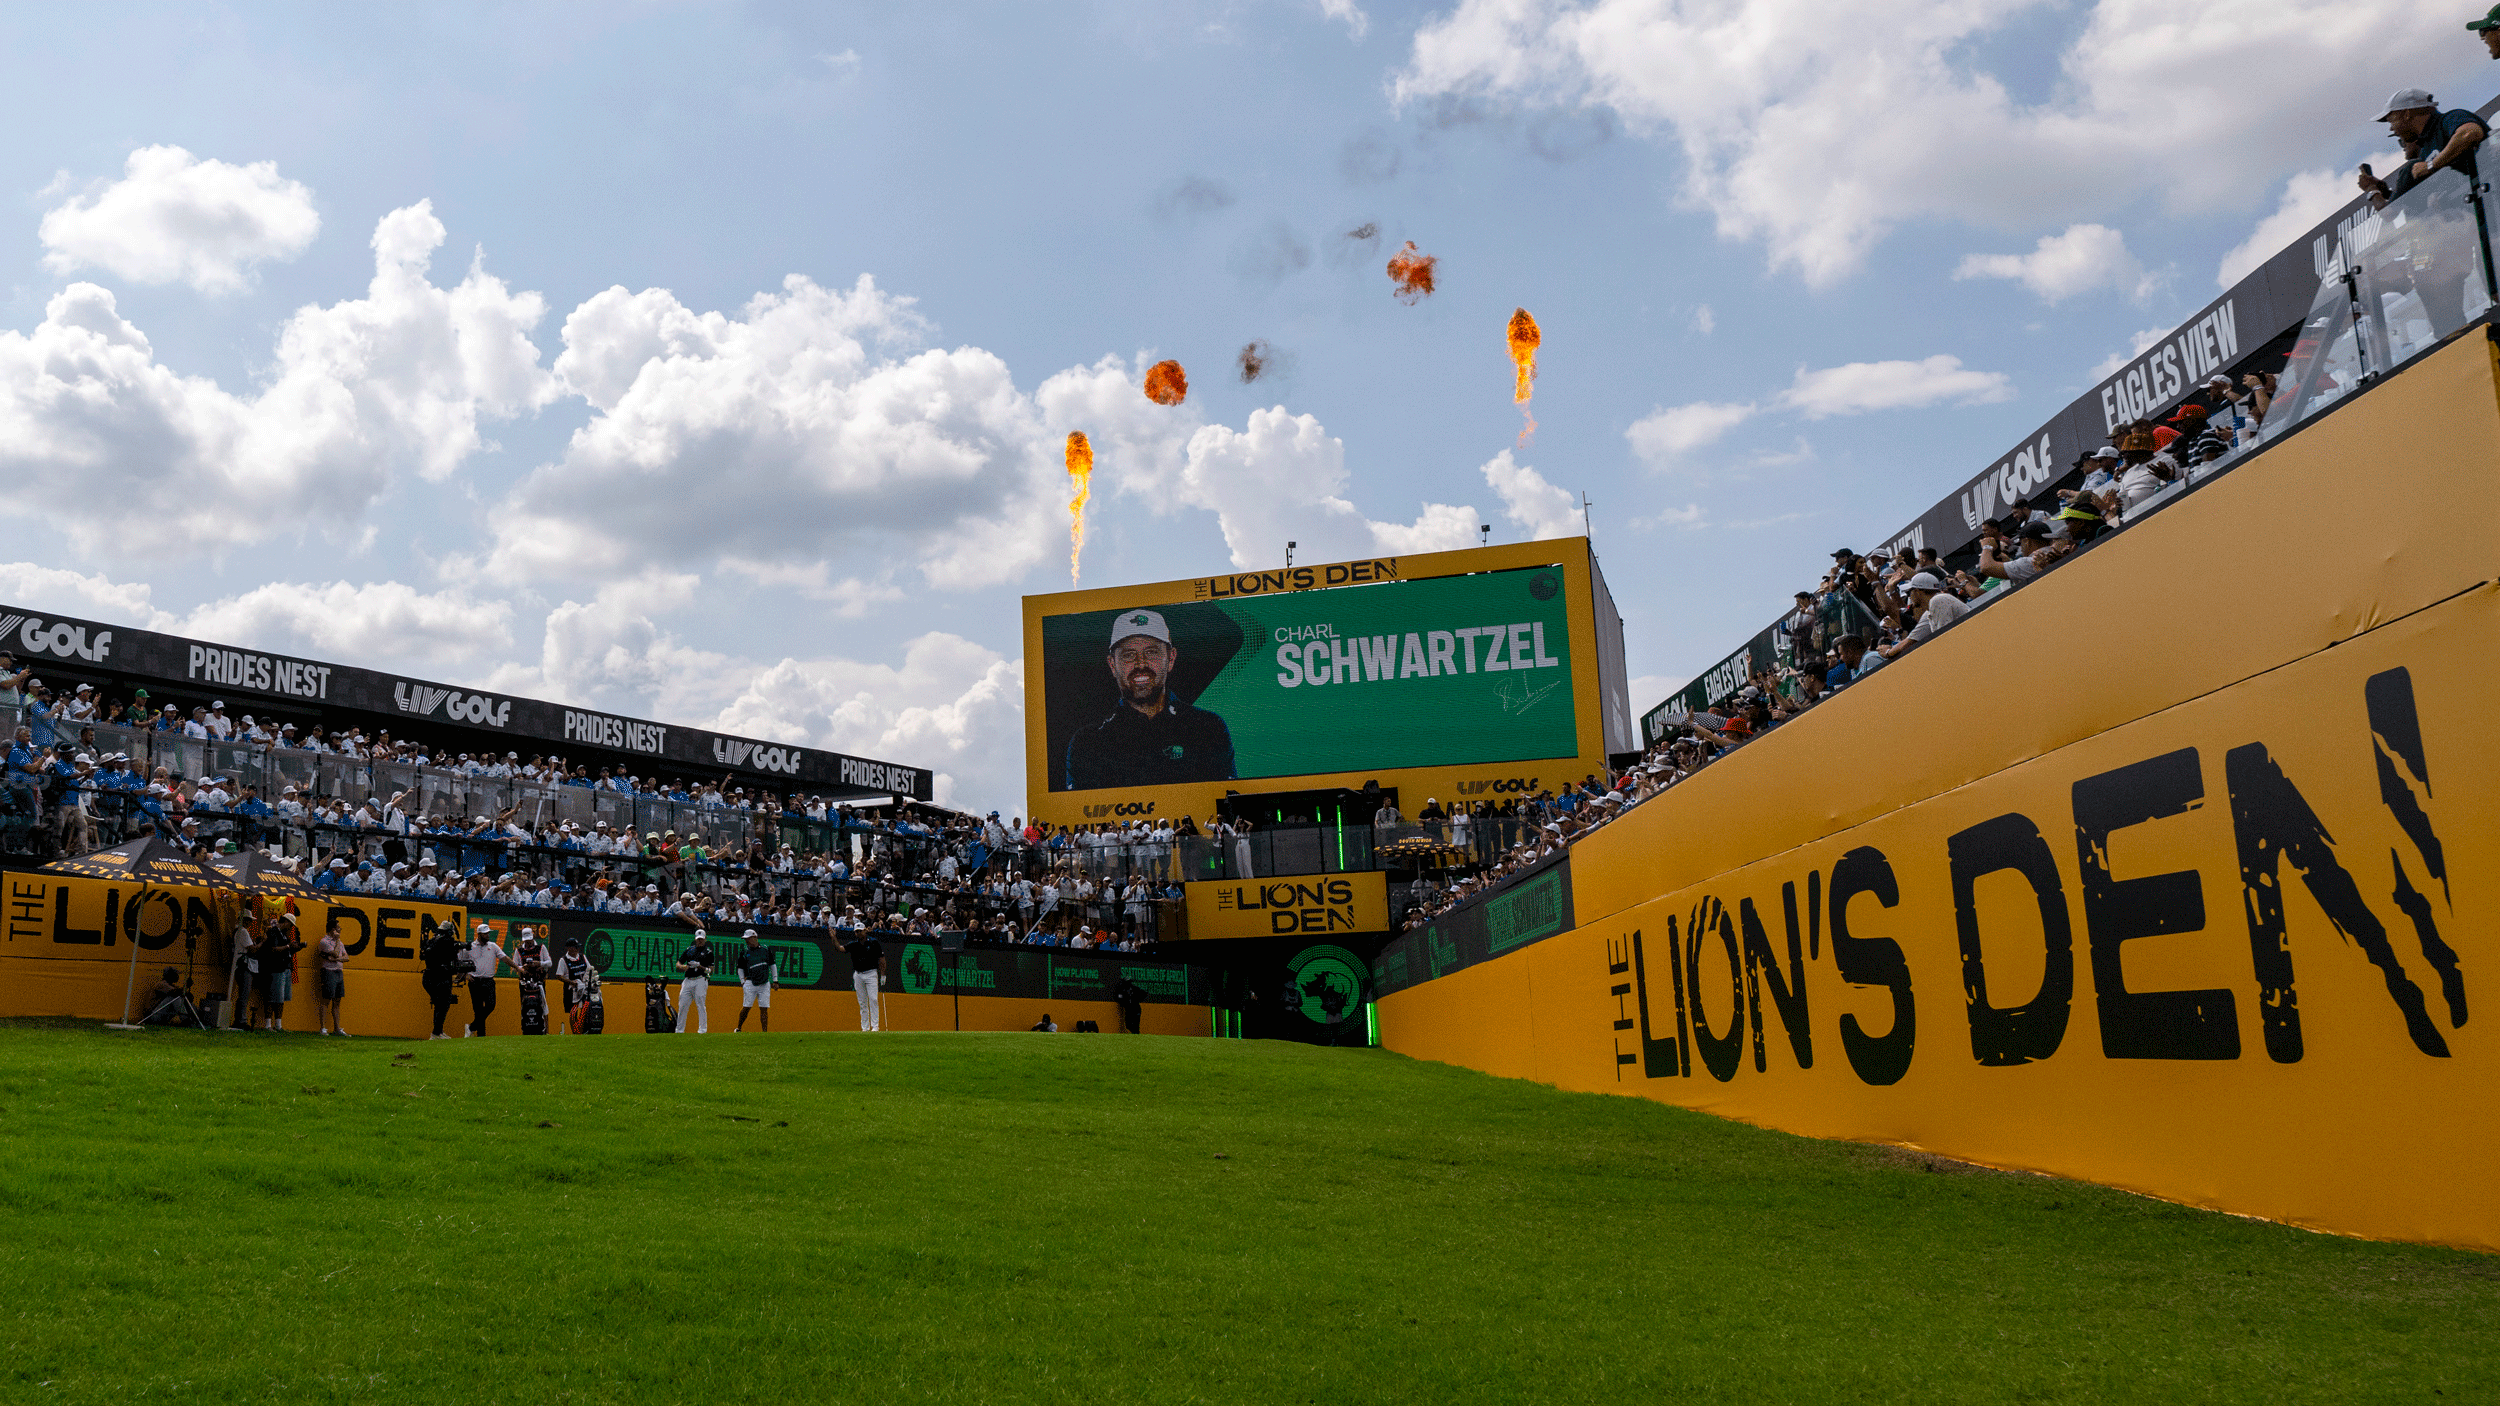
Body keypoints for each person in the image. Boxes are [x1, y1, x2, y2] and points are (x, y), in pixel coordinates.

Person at [1061, 609, 1236, 790]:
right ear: (1112, 665)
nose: (1141, 664)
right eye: (1128, 655)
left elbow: (1227, 804)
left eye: (1151, 652)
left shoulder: (1208, 728)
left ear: (1171, 658)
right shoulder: (1088, 743)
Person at [2358, 89, 2486, 207]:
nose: (2391, 128)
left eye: (2392, 121)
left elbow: (2470, 133)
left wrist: (2431, 165)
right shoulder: (2425, 151)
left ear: (2406, 114)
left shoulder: (2450, 119)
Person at [1878, 573, 1967, 660]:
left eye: (1909, 592)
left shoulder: (1938, 600)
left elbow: (1944, 639)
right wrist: (1888, 652)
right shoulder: (1929, 611)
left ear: (1917, 591)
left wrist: (1888, 652)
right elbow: (1910, 640)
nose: (1909, 597)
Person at [419, 917, 464, 1039]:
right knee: (443, 1004)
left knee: (440, 1004)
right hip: (440, 977)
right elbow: (452, 961)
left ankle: (438, 1031)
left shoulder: (432, 941)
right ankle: (436, 1033)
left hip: (428, 976)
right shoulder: (447, 942)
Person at [258, 916, 304, 1033]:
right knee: (272, 997)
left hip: (284, 967)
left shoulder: (283, 934)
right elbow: (273, 949)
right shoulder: (273, 931)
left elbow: (285, 949)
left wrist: (295, 947)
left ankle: (278, 1025)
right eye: (291, 925)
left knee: (281, 997)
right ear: (286, 922)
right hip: (275, 967)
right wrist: (289, 946)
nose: (291, 928)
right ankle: (268, 1025)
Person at [464, 922, 506, 1037]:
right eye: (485, 934)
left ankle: (471, 1027)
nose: (488, 935)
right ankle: (481, 1036)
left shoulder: (492, 946)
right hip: (475, 981)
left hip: (488, 981)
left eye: (488, 933)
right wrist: (465, 974)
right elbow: (460, 961)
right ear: (479, 934)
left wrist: (517, 967)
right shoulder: (470, 947)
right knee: (478, 1009)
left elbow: (504, 957)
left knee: (490, 1005)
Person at [554, 937, 603, 1033]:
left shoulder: (582, 957)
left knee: (586, 1008)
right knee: (573, 1011)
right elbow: (559, 976)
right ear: (569, 948)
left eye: (577, 947)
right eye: (575, 947)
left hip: (584, 988)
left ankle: (585, 1028)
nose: (577, 949)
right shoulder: (563, 960)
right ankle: (575, 1031)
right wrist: (572, 982)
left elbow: (590, 969)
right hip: (572, 990)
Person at [314, 917, 351, 1037]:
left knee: (337, 1001)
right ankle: (323, 1028)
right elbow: (334, 953)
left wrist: (337, 959)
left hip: (339, 972)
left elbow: (346, 958)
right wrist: (337, 942)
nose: (340, 929)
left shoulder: (340, 943)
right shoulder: (325, 942)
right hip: (329, 972)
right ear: (332, 929)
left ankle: (337, 1028)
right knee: (326, 1000)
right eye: (338, 927)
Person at [734, 928, 777, 1032]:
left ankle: (764, 1032)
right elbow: (740, 968)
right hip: (750, 982)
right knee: (747, 1006)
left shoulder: (765, 949)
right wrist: (742, 981)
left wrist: (775, 980)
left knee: (764, 1008)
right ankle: (739, 1027)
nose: (746, 941)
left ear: (754, 938)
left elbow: (772, 965)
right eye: (746, 939)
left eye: (748, 939)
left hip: (764, 982)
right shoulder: (744, 952)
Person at [842, 925, 883, 1031]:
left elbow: (882, 959)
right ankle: (864, 1027)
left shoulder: (873, 942)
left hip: (871, 973)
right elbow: (841, 949)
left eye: (860, 931)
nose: (858, 933)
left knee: (873, 999)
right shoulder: (854, 944)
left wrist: (883, 975)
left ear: (865, 931)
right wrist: (833, 939)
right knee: (862, 1002)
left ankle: (875, 1026)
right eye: (856, 932)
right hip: (858, 974)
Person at [676, 928, 715, 1033]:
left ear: (705, 939)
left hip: (700, 979)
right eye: (698, 939)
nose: (700, 941)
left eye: (702, 939)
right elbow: (678, 964)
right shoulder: (689, 950)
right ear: (695, 939)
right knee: (682, 1005)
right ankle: (679, 1030)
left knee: (700, 1004)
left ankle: (702, 1029)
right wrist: (683, 967)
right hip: (688, 979)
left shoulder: (708, 952)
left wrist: (700, 966)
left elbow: (711, 971)